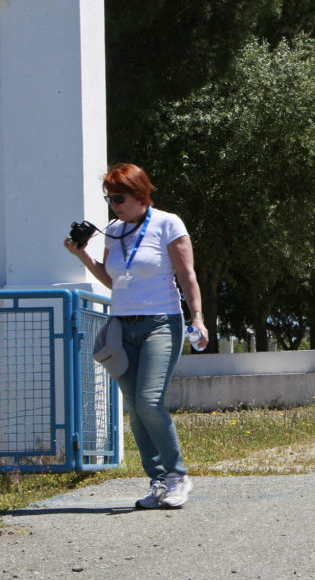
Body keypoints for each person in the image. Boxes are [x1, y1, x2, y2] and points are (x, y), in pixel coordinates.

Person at [64, 163, 208, 508]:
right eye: (109, 198)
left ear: (140, 195)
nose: (113, 205)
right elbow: (113, 280)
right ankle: (158, 481)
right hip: (121, 327)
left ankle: (178, 476)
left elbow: (187, 275)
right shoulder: (114, 230)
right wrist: (81, 254)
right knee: (135, 407)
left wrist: (198, 318)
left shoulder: (168, 223)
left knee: (148, 400)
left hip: (161, 322)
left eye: (119, 197)